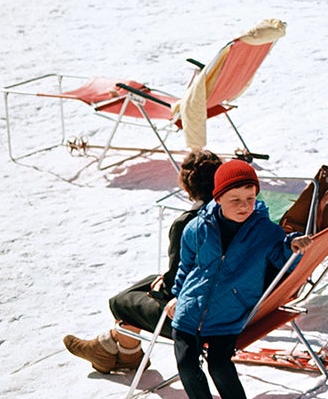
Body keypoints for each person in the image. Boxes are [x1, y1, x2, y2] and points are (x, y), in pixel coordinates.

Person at [172, 159, 311, 399]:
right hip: (190, 310)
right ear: (217, 197)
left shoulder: (263, 230)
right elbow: (186, 266)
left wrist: (294, 247)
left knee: (219, 367)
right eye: (235, 199)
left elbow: (282, 252)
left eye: (250, 198)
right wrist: (176, 296)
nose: (244, 205)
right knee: (186, 366)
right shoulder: (197, 228)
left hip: (229, 313)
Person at [63, 150, 223, 373]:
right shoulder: (235, 214)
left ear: (188, 186)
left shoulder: (188, 223)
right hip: (231, 306)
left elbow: (180, 283)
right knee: (149, 281)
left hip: (199, 321)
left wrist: (164, 287)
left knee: (121, 302)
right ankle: (122, 352)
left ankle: (112, 347)